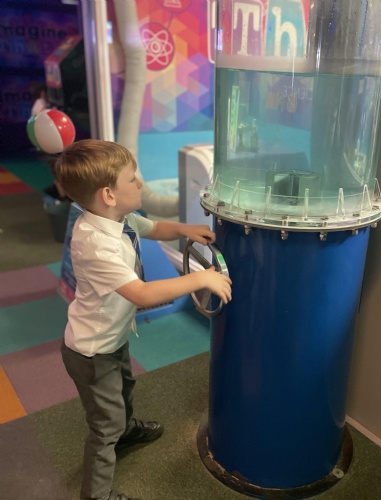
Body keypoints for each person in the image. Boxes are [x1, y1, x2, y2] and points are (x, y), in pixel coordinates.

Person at [54, 139, 232, 500]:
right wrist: (202, 278)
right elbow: (142, 295)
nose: (140, 183)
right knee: (104, 425)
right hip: (91, 351)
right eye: (132, 179)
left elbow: (155, 228)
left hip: (112, 338)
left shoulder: (120, 219)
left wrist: (184, 230)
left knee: (124, 388)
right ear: (108, 194)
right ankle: (96, 494)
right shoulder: (95, 243)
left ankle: (125, 431)